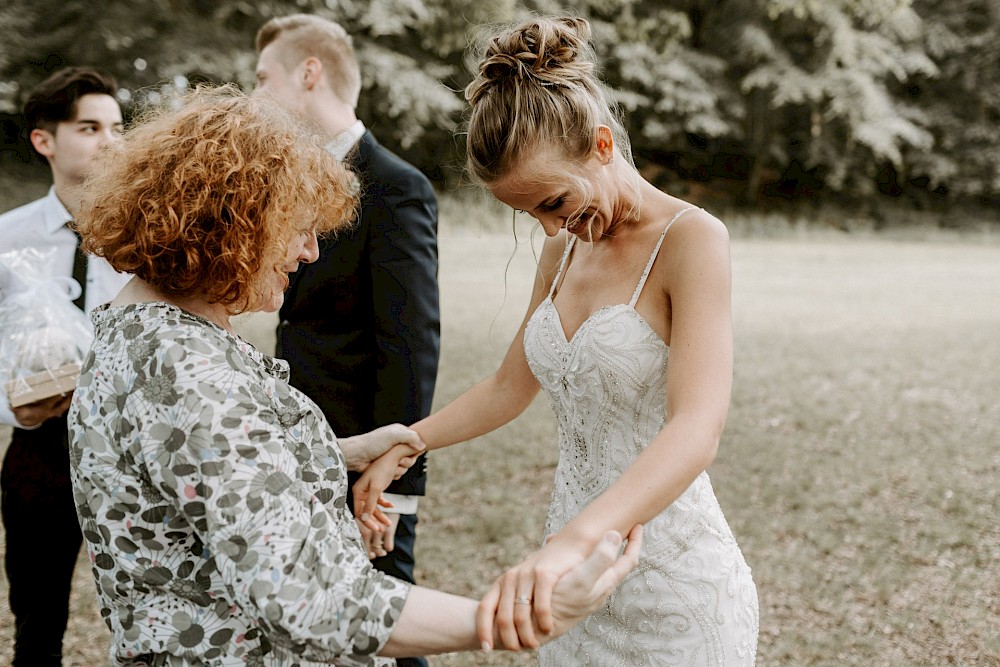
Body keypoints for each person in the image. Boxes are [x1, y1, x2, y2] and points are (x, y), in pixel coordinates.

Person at [68, 85, 641, 666]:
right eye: (297, 227)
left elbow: (201, 467)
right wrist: (519, 616)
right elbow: (314, 602)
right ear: (228, 225)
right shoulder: (186, 373)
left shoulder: (139, 331)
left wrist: (333, 454)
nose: (312, 252)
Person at [356, 16, 759, 665]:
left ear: (601, 143)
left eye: (553, 201)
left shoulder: (693, 240)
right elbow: (508, 386)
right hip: (572, 594)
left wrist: (574, 540)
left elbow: (696, 426)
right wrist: (410, 442)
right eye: (530, 214)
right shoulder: (562, 248)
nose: (549, 226)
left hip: (675, 590)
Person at [252, 24, 439, 666]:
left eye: (262, 79)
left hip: (366, 452)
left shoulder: (395, 186)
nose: (256, 96)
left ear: (309, 73)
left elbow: (411, 342)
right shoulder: (287, 180)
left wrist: (397, 475)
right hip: (297, 449)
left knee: (388, 615)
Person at [0, 66, 127, 667]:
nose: (110, 140)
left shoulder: (148, 235)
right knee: (37, 618)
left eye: (117, 127)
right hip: (41, 451)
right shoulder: (6, 239)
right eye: (90, 127)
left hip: (133, 451)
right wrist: (14, 410)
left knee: (154, 613)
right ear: (44, 140)